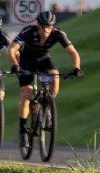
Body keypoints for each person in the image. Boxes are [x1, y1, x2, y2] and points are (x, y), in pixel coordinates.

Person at [7, 10, 83, 146]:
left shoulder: (58, 33)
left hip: (44, 60)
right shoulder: (28, 31)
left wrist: (76, 68)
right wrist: (14, 65)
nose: (47, 29)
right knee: (26, 93)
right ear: (38, 25)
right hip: (27, 61)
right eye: (44, 26)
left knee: (55, 78)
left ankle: (47, 104)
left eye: (49, 26)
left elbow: (73, 52)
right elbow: (12, 49)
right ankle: (23, 130)